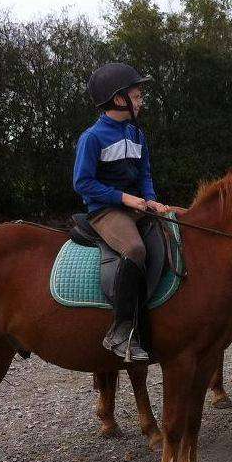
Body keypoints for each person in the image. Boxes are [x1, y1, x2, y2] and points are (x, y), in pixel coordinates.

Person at [73, 62, 172, 362]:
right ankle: (121, 331)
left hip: (136, 207)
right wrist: (124, 199)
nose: (142, 101)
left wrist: (151, 199)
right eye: (138, 95)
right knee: (134, 248)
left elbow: (145, 175)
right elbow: (83, 183)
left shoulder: (137, 134)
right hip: (105, 211)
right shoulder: (92, 137)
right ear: (119, 99)